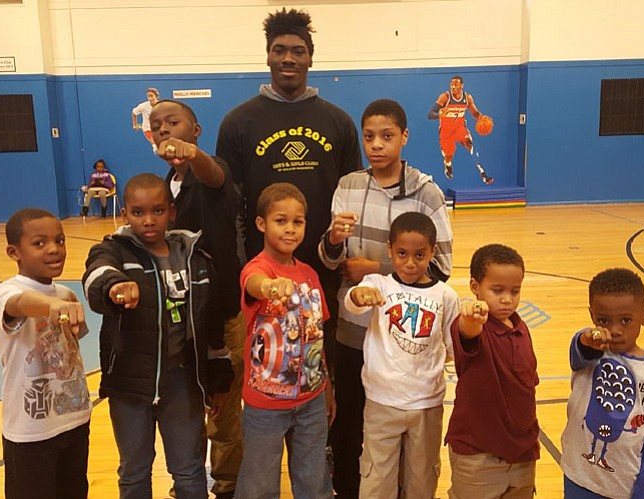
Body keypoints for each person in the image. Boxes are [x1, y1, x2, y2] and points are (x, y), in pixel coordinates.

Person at [318, 98, 453, 498]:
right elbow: (331, 261)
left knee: (407, 454)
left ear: (405, 137)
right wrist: (334, 240)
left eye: (387, 136)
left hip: (403, 347)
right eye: (370, 137)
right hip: (354, 333)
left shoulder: (426, 192)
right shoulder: (348, 185)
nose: (376, 145)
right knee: (350, 431)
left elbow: (441, 267)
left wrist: (375, 269)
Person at [216, 7, 363, 373]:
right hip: (264, 272)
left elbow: (355, 197)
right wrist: (240, 264)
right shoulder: (238, 122)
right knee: (269, 366)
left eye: (298, 51)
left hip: (323, 269)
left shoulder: (338, 121)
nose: (288, 58)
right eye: (279, 49)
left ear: (311, 57)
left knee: (319, 369)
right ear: (267, 54)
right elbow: (230, 203)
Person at [82, 173, 233, 499]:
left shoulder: (197, 258)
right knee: (134, 472)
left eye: (158, 210)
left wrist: (218, 379)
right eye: (138, 212)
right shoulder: (115, 252)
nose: (148, 220)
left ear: (172, 212)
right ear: (125, 215)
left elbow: (212, 325)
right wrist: (113, 286)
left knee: (189, 469)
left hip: (182, 386)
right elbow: (96, 274)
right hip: (130, 386)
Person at [149, 98, 244, 499]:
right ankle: (189, 481)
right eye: (157, 125)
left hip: (221, 314)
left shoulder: (211, 171)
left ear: (196, 130)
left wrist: (193, 156)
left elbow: (214, 175)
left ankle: (227, 485)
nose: (165, 129)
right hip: (179, 318)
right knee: (187, 404)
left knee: (223, 408)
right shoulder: (159, 189)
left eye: (173, 122)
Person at [343, 211, 458, 499]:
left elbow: (455, 348)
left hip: (426, 405)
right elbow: (353, 301)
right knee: (376, 481)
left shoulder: (445, 296)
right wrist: (359, 296)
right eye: (402, 253)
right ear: (389, 249)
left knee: (421, 482)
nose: (410, 262)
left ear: (432, 252)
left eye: (419, 255)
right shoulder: (378, 283)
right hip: (381, 402)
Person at [236, 182, 335, 499]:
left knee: (314, 481)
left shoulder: (309, 274)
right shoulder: (259, 268)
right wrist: (268, 287)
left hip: (312, 401)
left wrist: (327, 387)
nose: (290, 229)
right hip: (266, 405)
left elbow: (317, 335)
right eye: (281, 221)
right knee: (259, 485)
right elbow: (253, 283)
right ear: (262, 224)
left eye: (298, 221)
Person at [0, 207, 91, 499]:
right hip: (30, 431)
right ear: (14, 252)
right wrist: (50, 307)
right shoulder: (7, 292)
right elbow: (20, 304)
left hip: (73, 420)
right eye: (39, 243)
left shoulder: (66, 294)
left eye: (59, 241)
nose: (54, 249)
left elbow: (71, 348)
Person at [445, 243, 539, 499]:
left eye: (515, 291)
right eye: (497, 290)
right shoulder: (475, 325)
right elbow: (468, 332)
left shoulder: (521, 329)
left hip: (521, 457)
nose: (507, 299)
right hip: (478, 457)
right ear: (475, 287)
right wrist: (470, 319)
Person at [561, 268, 644, 499]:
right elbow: (580, 346)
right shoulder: (591, 353)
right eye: (603, 320)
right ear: (592, 316)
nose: (615, 330)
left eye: (626, 320)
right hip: (579, 477)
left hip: (624, 486)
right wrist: (588, 338)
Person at [427, 75, 493, 184]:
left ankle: (482, 173)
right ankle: (448, 165)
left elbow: (475, 113)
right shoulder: (445, 97)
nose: (453, 87)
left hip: (459, 128)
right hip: (446, 131)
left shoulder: (467, 98)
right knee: (449, 155)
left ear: (462, 85)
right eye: (451, 84)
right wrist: (439, 114)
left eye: (456, 84)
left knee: (469, 143)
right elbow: (430, 114)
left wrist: (481, 117)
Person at [131, 87, 160, 153]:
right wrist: (135, 124)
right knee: (155, 146)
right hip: (147, 127)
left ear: (156, 96)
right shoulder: (143, 106)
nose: (150, 98)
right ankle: (154, 146)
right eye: (148, 96)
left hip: (158, 127)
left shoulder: (161, 105)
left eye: (152, 96)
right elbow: (134, 112)